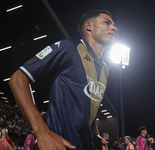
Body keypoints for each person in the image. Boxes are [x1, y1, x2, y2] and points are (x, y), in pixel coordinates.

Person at [9, 9, 117, 150]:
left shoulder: (105, 69)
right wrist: (41, 132)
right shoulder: (68, 47)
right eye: (107, 23)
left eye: (113, 24)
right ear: (89, 26)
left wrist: (95, 135)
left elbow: (89, 105)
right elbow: (17, 78)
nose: (114, 27)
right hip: (56, 145)